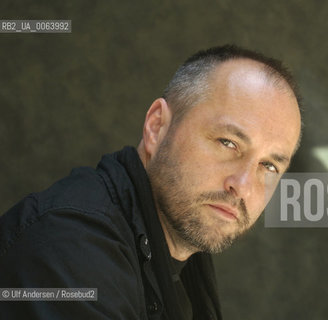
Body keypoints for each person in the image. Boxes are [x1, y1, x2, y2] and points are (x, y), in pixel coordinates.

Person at [0, 45, 302, 319]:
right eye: (228, 142)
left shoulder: (181, 262)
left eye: (269, 166)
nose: (244, 185)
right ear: (157, 126)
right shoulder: (69, 250)